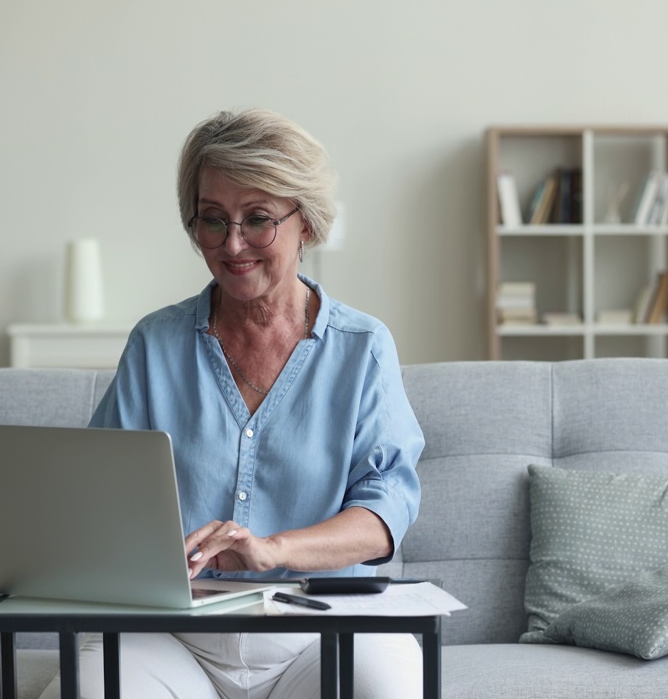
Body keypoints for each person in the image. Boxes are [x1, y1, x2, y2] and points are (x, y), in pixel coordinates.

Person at [67, 108, 425, 698]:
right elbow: (101, 495)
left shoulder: (364, 349)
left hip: (320, 628)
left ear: (305, 223)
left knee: (389, 687)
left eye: (258, 219)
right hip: (171, 634)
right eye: (213, 220)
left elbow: (386, 514)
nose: (232, 245)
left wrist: (271, 550)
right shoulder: (155, 345)